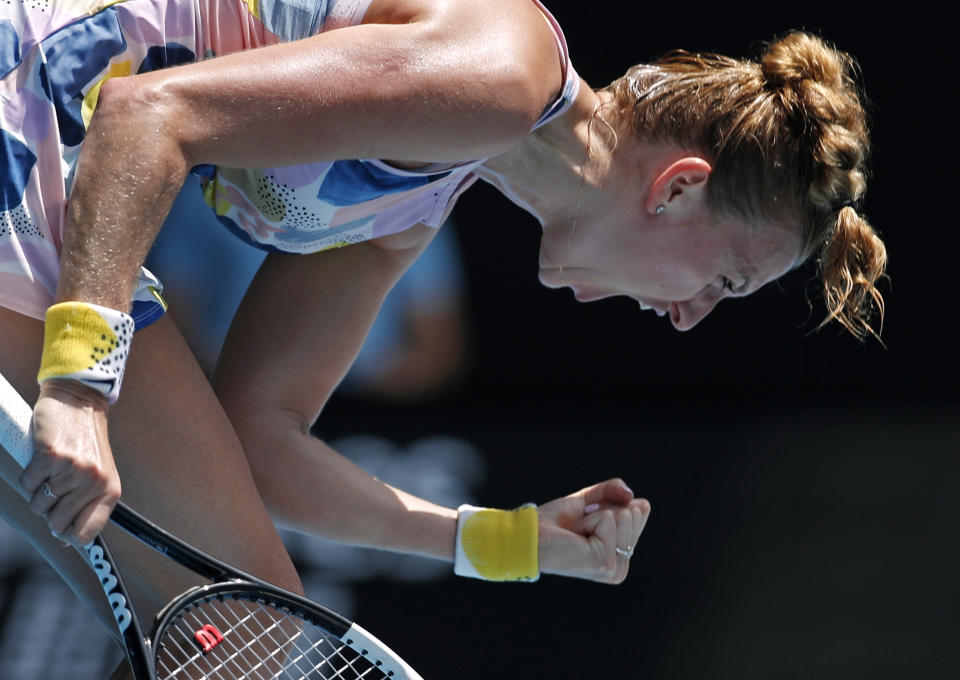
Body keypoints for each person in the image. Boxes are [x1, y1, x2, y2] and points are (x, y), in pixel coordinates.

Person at [0, 0, 885, 671]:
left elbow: (263, 443)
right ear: (678, 188)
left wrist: (506, 541)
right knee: (257, 645)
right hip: (23, 109)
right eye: (724, 281)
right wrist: (79, 388)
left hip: (50, 183)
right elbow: (147, 118)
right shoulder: (504, 74)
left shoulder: (414, 202)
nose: (692, 316)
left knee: (244, 639)